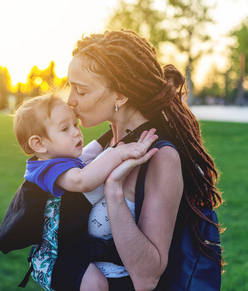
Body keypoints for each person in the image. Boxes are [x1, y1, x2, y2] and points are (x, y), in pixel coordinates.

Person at [65, 29, 224, 290]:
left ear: (120, 95)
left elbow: (147, 278)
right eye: (70, 87)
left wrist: (114, 190)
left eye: (81, 91)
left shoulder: (161, 157)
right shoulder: (107, 143)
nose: (71, 100)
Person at [11, 92, 158, 291]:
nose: (76, 132)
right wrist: (119, 152)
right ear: (39, 144)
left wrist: (114, 133)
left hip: (71, 248)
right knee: (96, 284)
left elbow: (91, 152)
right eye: (65, 128)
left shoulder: (56, 159)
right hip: (56, 258)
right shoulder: (46, 169)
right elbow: (83, 180)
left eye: (75, 124)